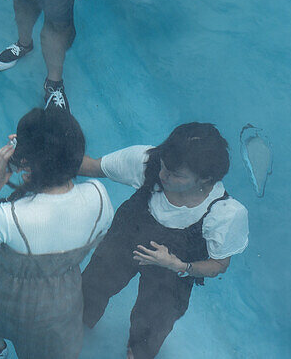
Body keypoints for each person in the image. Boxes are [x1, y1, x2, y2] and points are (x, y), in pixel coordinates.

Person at [0, 106, 114, 359]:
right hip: (60, 297)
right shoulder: (99, 195)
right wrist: (41, 157)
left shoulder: (9, 216)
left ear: (25, 160)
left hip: (4, 293)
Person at [80, 123, 249, 359]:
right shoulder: (150, 161)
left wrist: (180, 266)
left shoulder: (225, 214)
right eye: (163, 166)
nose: (162, 175)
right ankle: (75, 328)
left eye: (175, 174)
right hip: (126, 240)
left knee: (152, 324)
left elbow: (219, 265)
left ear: (206, 178)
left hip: (173, 271)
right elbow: (94, 166)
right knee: (91, 287)